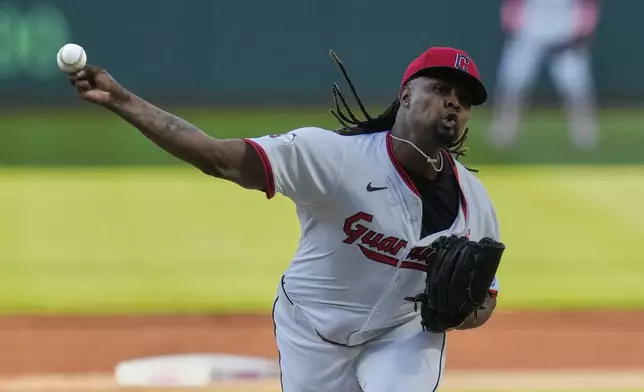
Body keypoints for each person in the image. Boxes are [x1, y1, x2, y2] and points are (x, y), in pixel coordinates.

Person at [67, 46, 502, 392]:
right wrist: (123, 101)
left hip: (402, 335)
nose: (454, 103)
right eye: (442, 88)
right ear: (406, 94)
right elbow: (219, 158)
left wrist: (463, 314)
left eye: (464, 101)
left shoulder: (473, 200)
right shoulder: (335, 158)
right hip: (311, 331)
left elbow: (485, 299)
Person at [489, 0, 600, 150]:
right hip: (529, 33)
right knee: (513, 83)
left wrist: (583, 29)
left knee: (576, 86)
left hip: (565, 34)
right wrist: (510, 23)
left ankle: (585, 133)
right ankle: (504, 131)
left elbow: (587, 4)